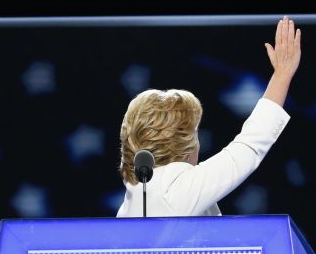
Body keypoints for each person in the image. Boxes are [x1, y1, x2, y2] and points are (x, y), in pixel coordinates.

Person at [115, 16, 301, 218]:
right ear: (181, 144)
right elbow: (250, 144)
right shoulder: (177, 191)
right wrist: (282, 74)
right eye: (193, 133)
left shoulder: (131, 200)